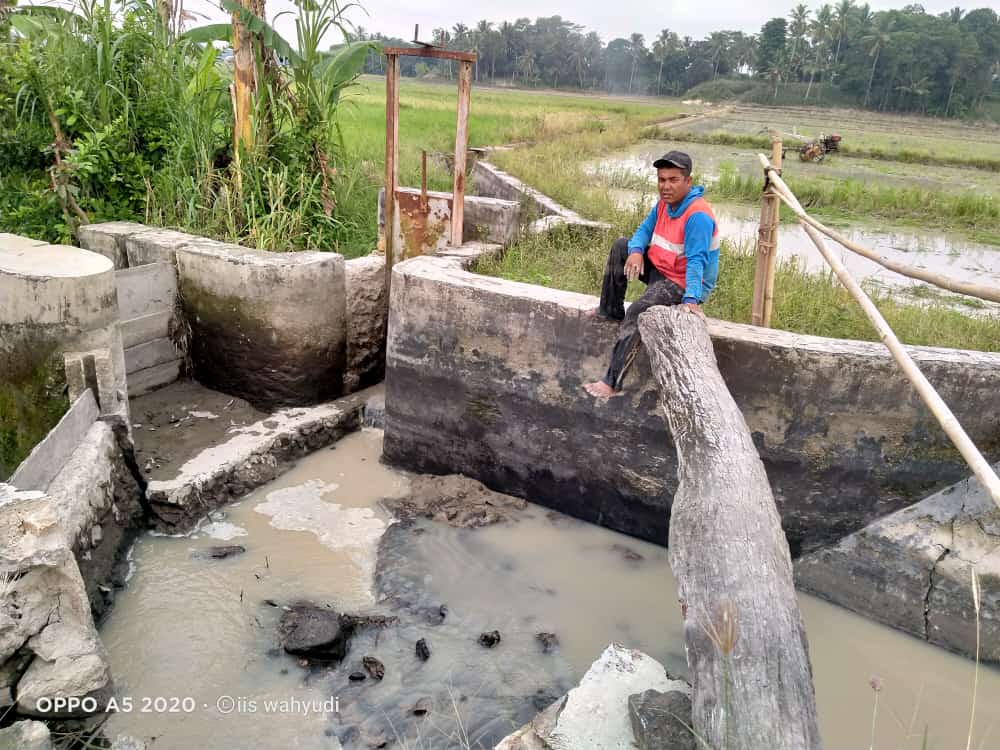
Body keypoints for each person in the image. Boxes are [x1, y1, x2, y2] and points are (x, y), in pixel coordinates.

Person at [583, 150, 720, 398]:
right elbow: (642, 232)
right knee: (621, 245)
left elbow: (697, 262)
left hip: (681, 282)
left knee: (637, 310)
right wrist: (635, 251)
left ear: (688, 182)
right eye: (661, 180)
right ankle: (610, 309)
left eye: (673, 180)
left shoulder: (697, 215)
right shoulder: (664, 205)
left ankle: (611, 382)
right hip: (661, 269)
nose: (665, 186)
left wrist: (691, 299)